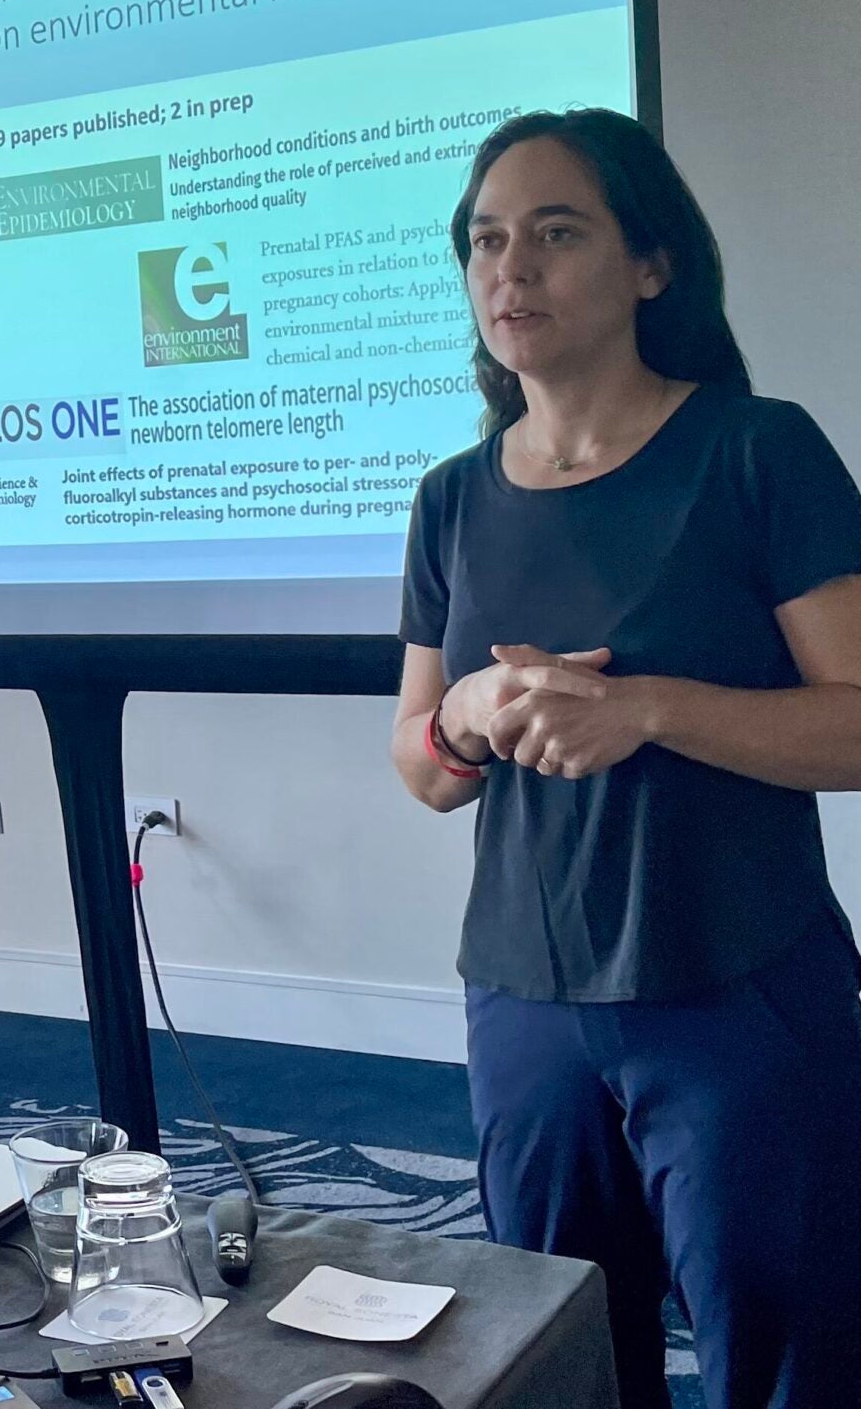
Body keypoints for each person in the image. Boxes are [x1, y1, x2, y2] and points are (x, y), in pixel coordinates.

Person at [390, 109, 861, 1408]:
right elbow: (422, 765)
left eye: (554, 233)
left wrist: (647, 708)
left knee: (785, 1355)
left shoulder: (760, 454)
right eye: (485, 241)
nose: (510, 269)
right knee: (559, 1356)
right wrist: (470, 714)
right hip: (524, 1007)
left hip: (736, 997)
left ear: (651, 265)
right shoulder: (452, 498)